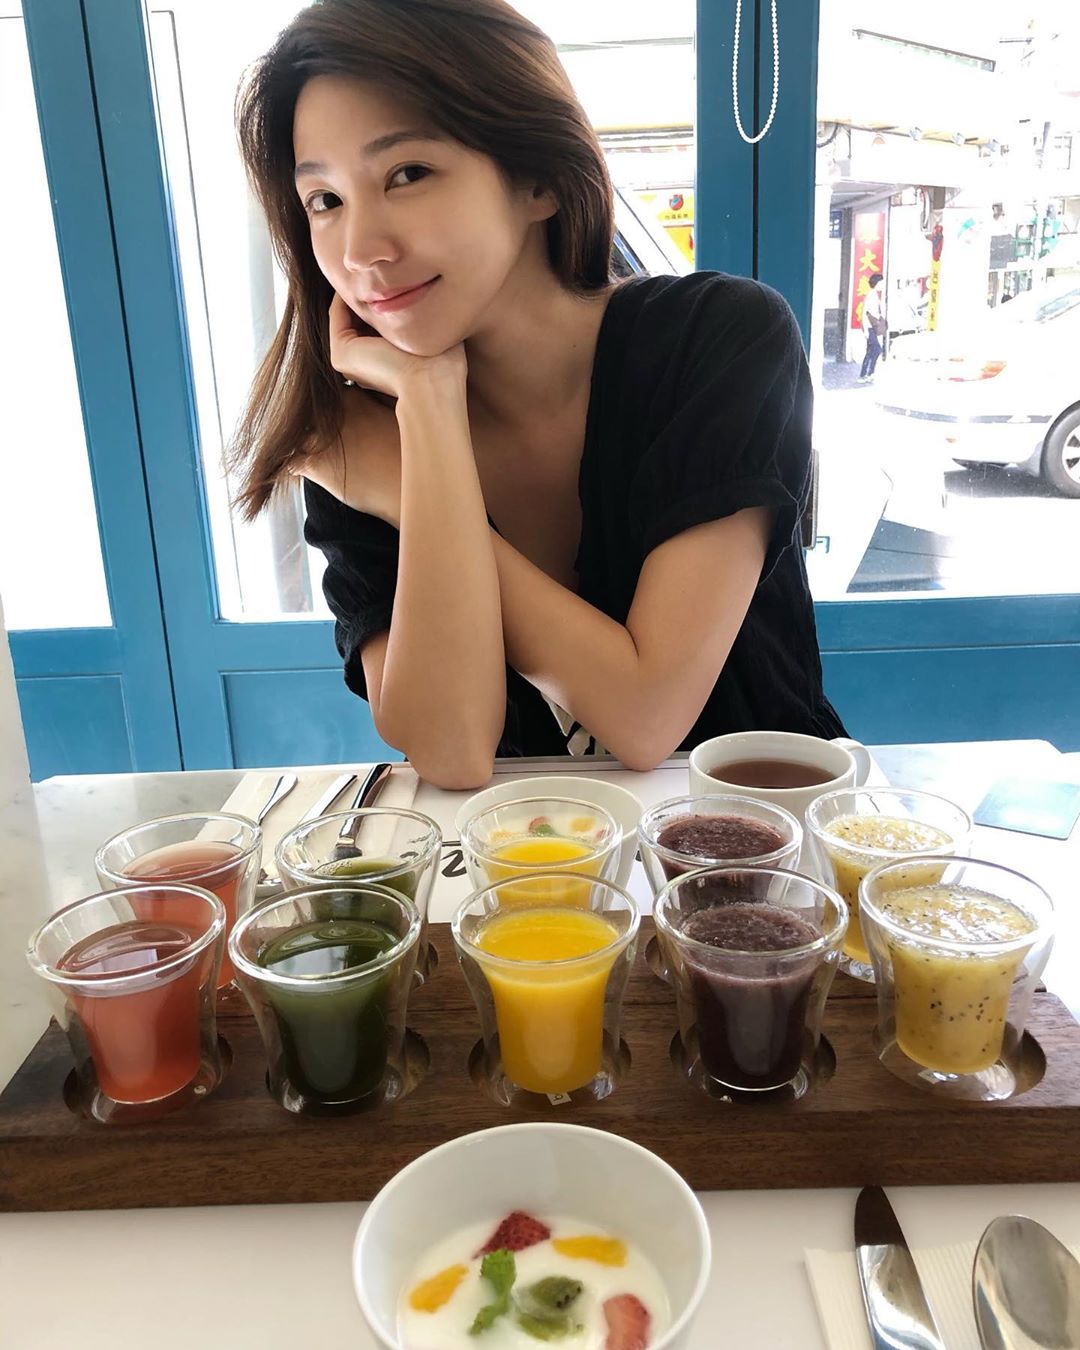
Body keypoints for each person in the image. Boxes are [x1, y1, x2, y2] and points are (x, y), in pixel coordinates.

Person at [230, 0, 846, 789]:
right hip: (535, 855)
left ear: (540, 181)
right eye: (325, 200)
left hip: (770, 841)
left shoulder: (717, 339)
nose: (361, 250)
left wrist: (405, 491)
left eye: (408, 174)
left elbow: (648, 715)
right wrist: (428, 411)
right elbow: (450, 750)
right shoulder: (361, 432)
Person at [858, 272, 886, 382]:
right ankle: (868, 373)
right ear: (877, 283)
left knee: (870, 351)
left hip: (872, 328)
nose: (882, 285)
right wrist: (865, 330)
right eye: (881, 283)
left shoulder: (874, 294)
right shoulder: (870, 295)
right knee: (877, 349)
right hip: (869, 328)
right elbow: (865, 313)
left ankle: (865, 374)